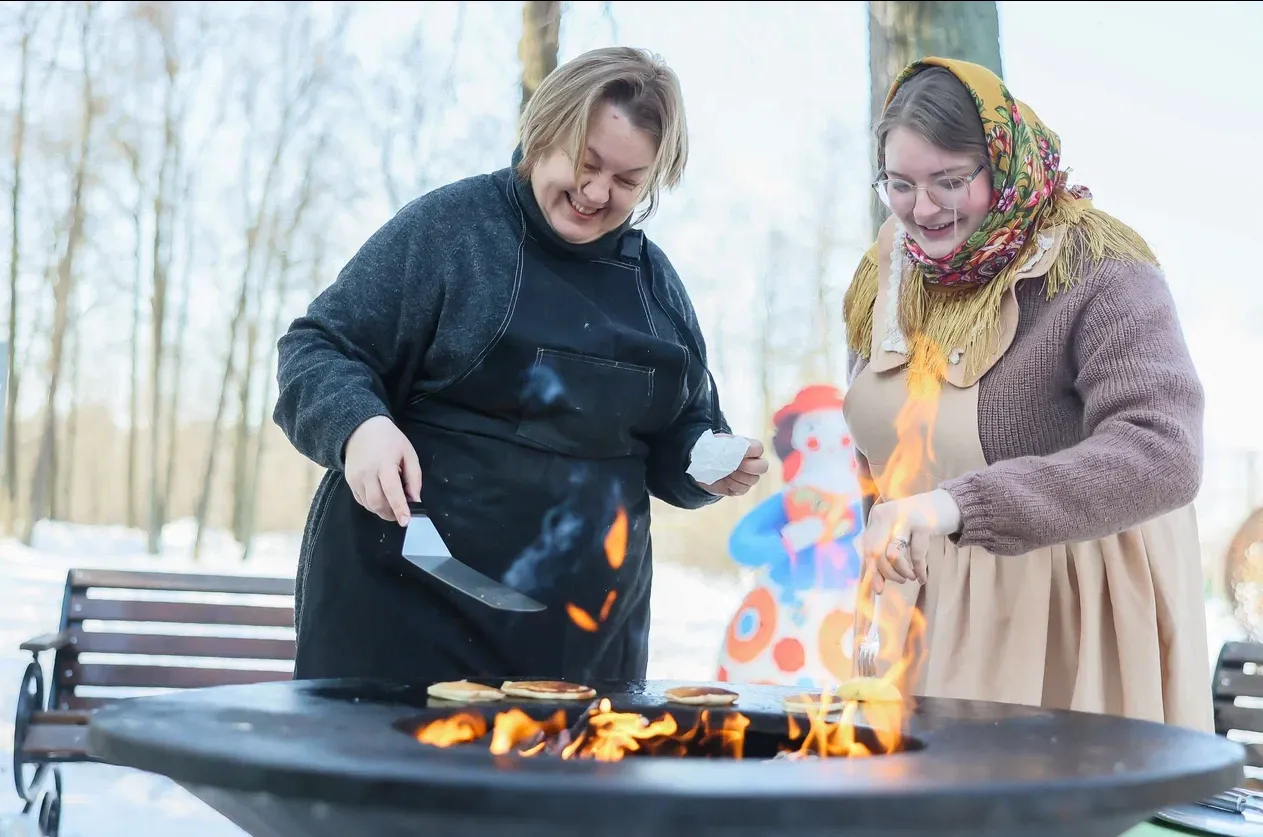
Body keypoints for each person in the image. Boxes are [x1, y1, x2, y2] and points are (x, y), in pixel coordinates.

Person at [273, 46, 767, 686]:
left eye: (626, 181)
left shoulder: (655, 286)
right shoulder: (452, 231)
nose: (596, 193)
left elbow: (681, 433)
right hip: (403, 611)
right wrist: (358, 427)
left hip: (584, 640)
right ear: (543, 134)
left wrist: (707, 460)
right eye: (585, 165)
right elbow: (317, 348)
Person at [841, 56, 1212, 732]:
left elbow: (1164, 452)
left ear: (1003, 162)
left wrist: (956, 502)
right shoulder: (889, 271)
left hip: (1063, 624)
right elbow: (879, 437)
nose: (922, 209)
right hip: (923, 615)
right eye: (898, 184)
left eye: (948, 181)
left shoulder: (1096, 268)